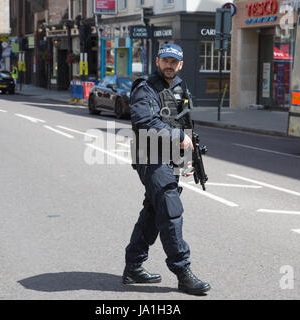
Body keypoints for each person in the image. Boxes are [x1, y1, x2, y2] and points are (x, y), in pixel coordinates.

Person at [123, 43, 211, 295]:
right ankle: (183, 272)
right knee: (170, 209)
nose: (169, 65)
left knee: (153, 211)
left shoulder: (180, 87)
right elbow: (143, 122)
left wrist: (187, 159)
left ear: (180, 64)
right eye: (166, 61)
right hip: (148, 155)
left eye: (174, 62)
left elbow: (184, 123)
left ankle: (133, 266)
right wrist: (176, 137)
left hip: (170, 156)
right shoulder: (145, 88)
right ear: (158, 61)